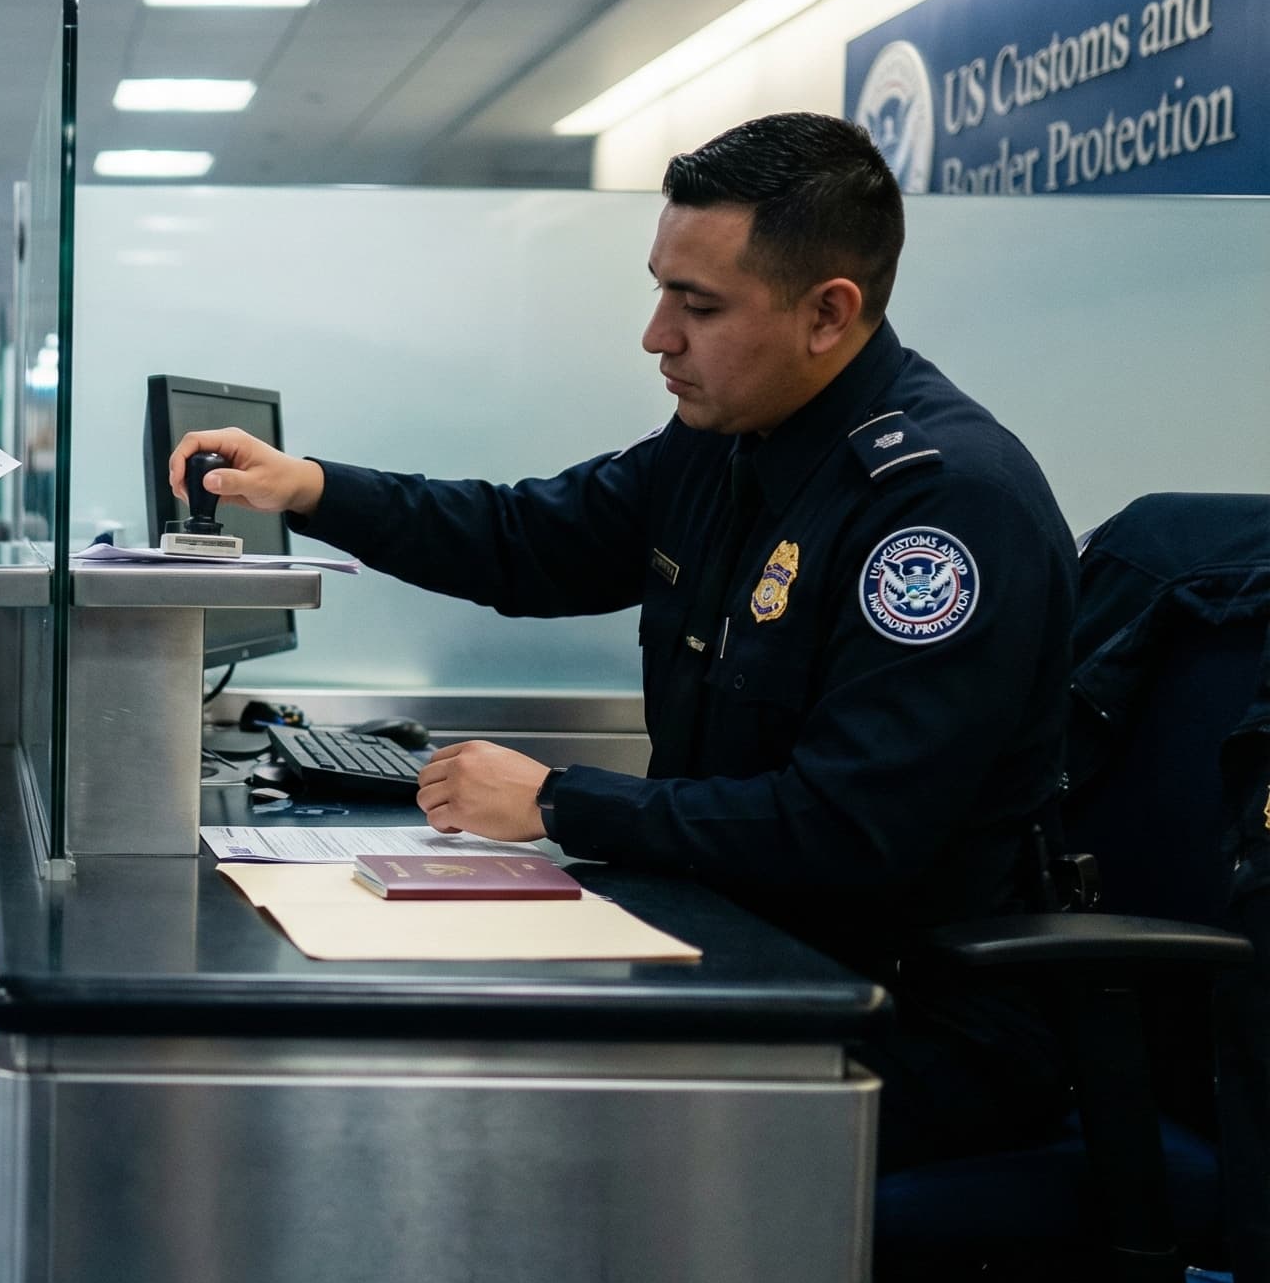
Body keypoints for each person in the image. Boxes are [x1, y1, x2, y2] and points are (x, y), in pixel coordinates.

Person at [172, 112, 1078, 1176]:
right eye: (660, 291)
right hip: (742, 946)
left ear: (828, 314)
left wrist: (558, 802)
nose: (657, 336)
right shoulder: (723, 447)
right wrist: (312, 489)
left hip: (894, 1011)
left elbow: (846, 831)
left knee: (485, 1122)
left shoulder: (939, 510)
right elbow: (527, 541)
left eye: (697, 305)